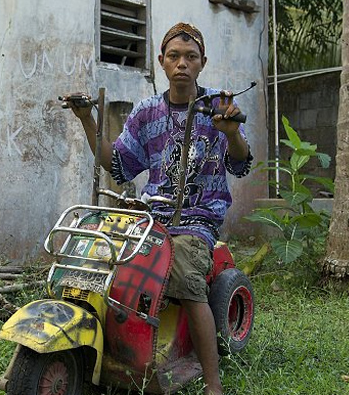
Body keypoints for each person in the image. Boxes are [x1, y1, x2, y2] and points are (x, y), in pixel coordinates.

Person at [67, 22, 252, 395]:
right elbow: (116, 164)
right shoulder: (148, 112)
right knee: (100, 262)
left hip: (198, 222)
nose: (182, 63)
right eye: (174, 56)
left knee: (184, 276)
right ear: (161, 62)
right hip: (153, 217)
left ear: (202, 63)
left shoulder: (219, 105)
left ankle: (213, 383)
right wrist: (87, 119)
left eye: (190, 57)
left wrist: (231, 132)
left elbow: (240, 162)